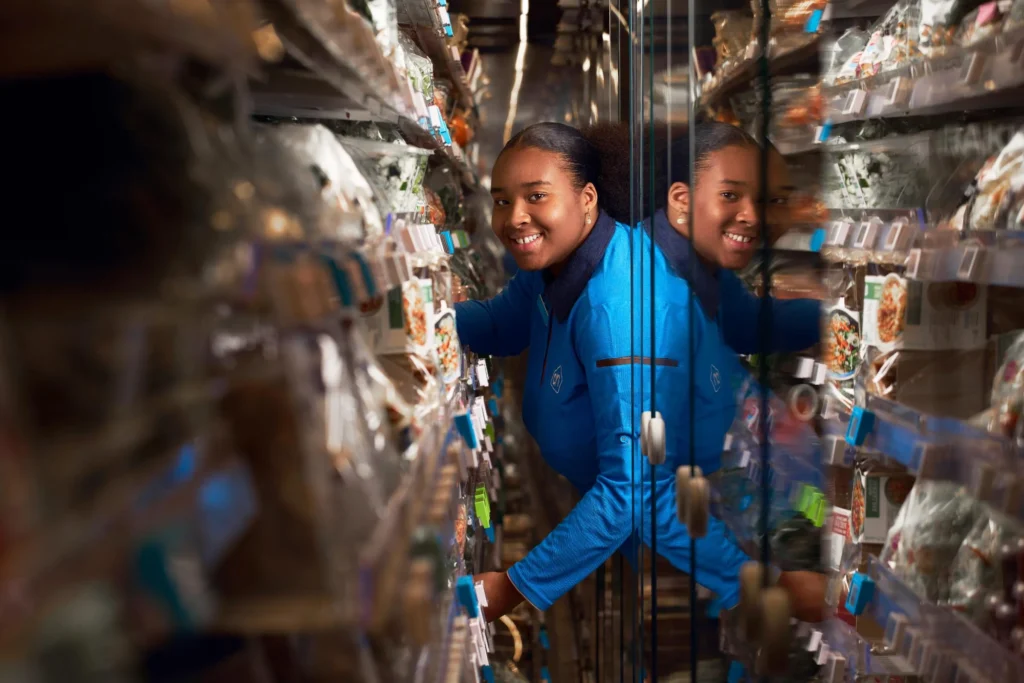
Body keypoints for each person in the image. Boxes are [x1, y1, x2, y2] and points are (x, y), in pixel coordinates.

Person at [455, 122, 824, 624]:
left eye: (536, 196)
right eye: (503, 200)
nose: (515, 216)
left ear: (588, 200)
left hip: (698, 519)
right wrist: (410, 313)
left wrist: (512, 587)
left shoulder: (620, 306)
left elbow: (633, 496)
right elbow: (501, 323)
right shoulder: (554, 270)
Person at [586, 120, 826, 619]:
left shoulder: (693, 262)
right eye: (734, 195)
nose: (759, 218)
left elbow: (748, 322)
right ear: (680, 200)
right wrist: (772, 583)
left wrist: (845, 316)